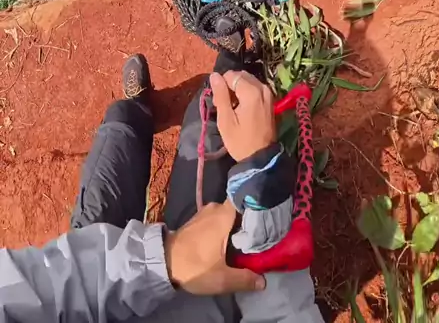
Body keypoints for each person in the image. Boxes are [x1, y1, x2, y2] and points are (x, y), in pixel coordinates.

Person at [0, 51, 324, 323]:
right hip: (189, 310)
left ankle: (137, 108)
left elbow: (29, 288)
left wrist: (165, 259)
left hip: (87, 287)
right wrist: (262, 186)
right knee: (206, 135)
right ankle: (232, 62)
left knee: (118, 132)